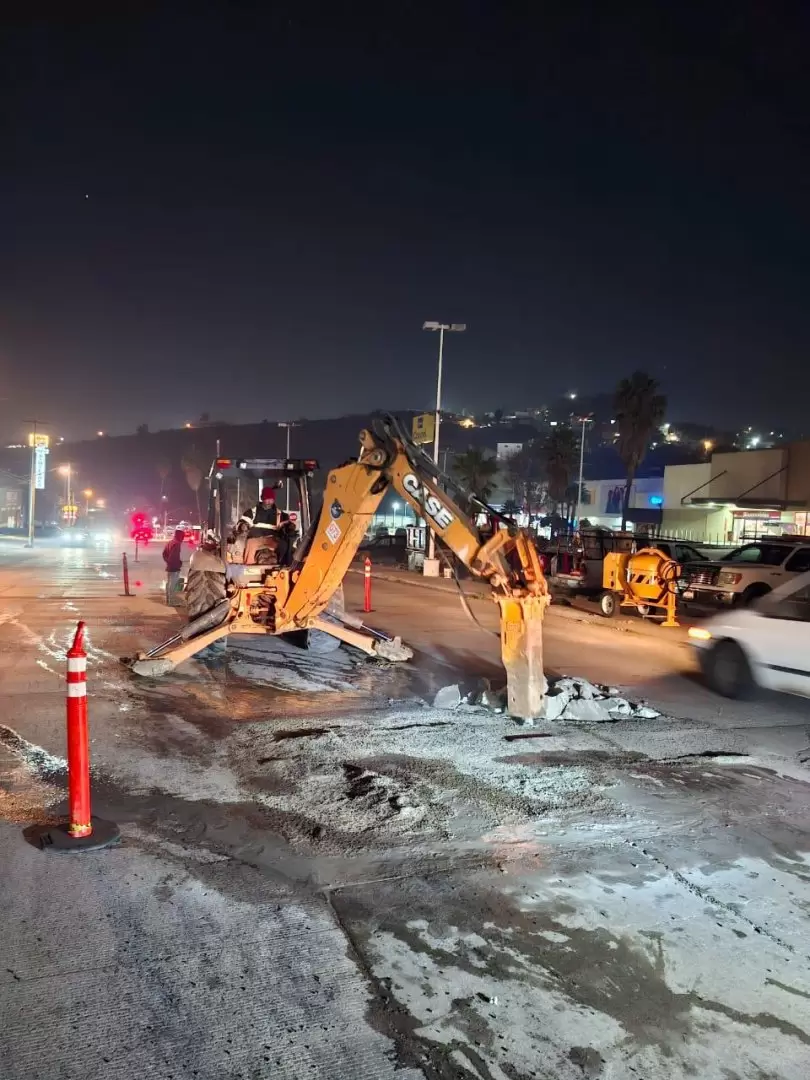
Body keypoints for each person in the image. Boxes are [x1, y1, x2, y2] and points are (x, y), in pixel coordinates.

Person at [239, 487, 293, 564]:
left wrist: (290, 527)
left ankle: (282, 565)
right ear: (262, 498)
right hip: (256, 539)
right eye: (267, 499)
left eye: (271, 499)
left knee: (284, 545)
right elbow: (242, 522)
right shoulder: (252, 512)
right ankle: (249, 566)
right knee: (250, 543)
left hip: (272, 539)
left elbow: (286, 526)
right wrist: (242, 525)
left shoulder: (280, 515)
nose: (269, 502)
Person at [162, 528, 185, 606]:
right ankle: (172, 601)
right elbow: (174, 557)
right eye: (182, 536)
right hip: (174, 568)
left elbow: (164, 554)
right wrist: (178, 564)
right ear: (179, 536)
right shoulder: (177, 544)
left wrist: (168, 562)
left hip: (169, 567)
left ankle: (168, 600)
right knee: (173, 585)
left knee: (169, 584)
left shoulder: (170, 542)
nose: (183, 538)